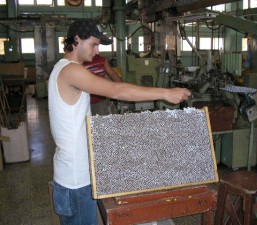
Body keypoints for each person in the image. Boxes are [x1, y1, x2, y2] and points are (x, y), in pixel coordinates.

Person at [48, 18, 191, 225]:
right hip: (75, 181)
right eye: (94, 44)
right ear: (77, 40)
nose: (97, 51)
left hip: (74, 174)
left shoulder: (62, 69)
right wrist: (165, 93)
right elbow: (117, 90)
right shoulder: (71, 71)